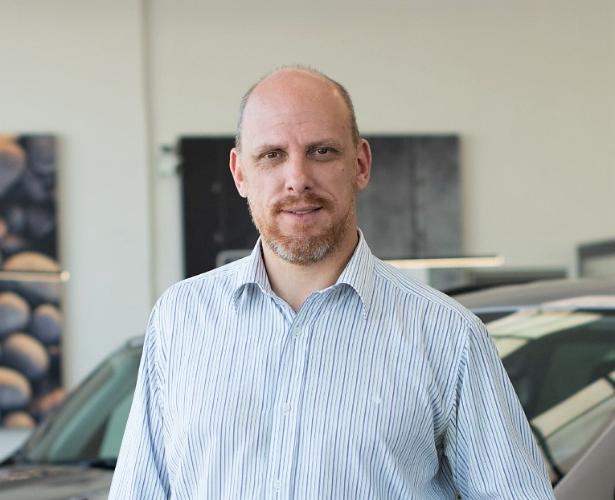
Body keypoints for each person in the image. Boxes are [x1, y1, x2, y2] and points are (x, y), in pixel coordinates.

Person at [110, 66, 554, 499]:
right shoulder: (180, 319)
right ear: (240, 172)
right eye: (272, 155)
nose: (297, 180)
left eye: (321, 151)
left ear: (360, 164)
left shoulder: (447, 336)